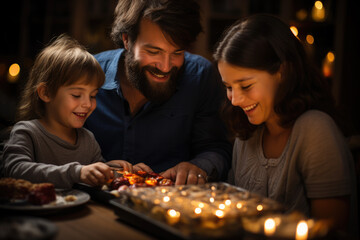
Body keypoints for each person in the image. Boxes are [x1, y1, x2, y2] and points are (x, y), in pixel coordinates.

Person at [213, 14, 357, 236]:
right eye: (228, 87)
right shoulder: (247, 136)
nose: (235, 100)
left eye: (246, 85)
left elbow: (331, 231)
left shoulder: (315, 130)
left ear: (282, 72)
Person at [84, 0, 232, 185]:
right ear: (127, 40)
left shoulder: (200, 76)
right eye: (154, 51)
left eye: (177, 53)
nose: (166, 66)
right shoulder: (87, 74)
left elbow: (216, 148)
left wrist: (199, 166)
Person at [1, 34, 142, 189]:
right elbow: (14, 170)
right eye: (76, 95)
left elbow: (95, 178)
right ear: (46, 93)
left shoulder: (88, 140)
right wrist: (76, 172)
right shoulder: (27, 133)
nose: (88, 104)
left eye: (93, 95)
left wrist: (116, 170)